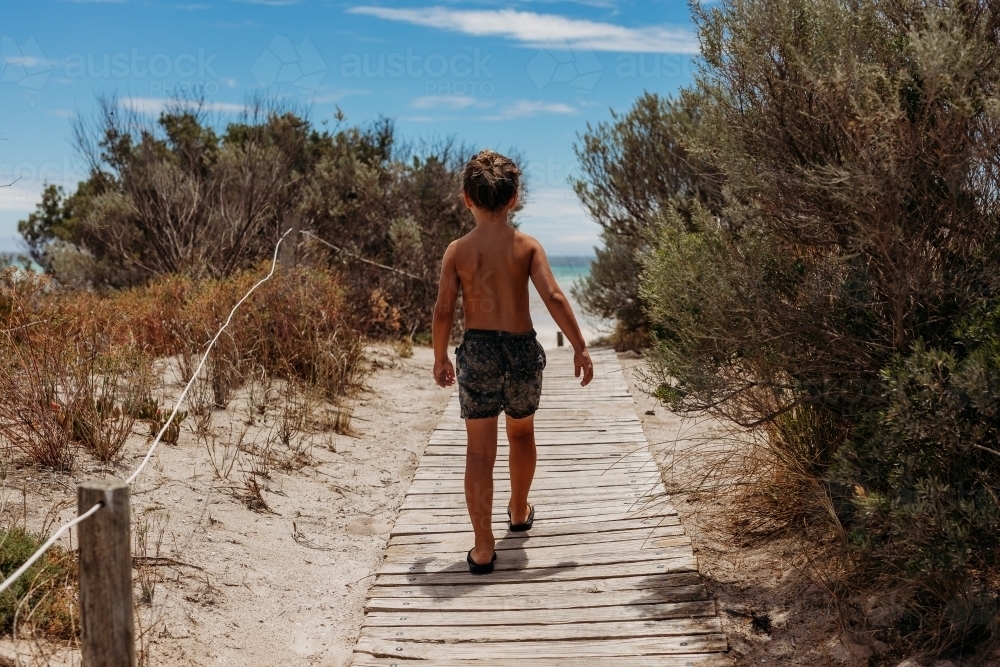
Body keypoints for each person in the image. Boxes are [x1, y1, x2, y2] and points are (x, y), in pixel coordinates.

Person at [432, 149, 594, 574]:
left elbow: (444, 310)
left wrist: (439, 356)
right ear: (514, 198)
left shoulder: (458, 251)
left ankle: (483, 547)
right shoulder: (526, 246)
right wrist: (580, 345)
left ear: (466, 198)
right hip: (522, 349)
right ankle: (519, 511)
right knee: (521, 435)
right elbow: (554, 297)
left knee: (480, 451)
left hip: (479, 351)